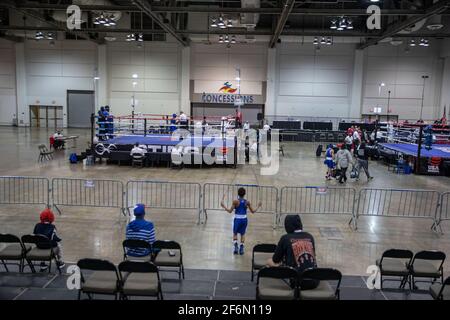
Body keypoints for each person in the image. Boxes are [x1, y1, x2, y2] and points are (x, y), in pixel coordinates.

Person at [266, 215, 318, 290]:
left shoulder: (285, 238)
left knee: (269, 262)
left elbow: (275, 259)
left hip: (296, 281)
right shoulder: (310, 236)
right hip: (314, 280)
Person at [220, 187, 262, 255]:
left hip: (237, 219)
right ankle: (241, 248)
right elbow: (253, 211)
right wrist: (258, 206)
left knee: (235, 233)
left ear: (238, 193)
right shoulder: (247, 202)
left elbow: (230, 211)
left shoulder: (235, 202)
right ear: (244, 194)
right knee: (243, 234)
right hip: (244, 220)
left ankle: (236, 246)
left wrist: (223, 206)